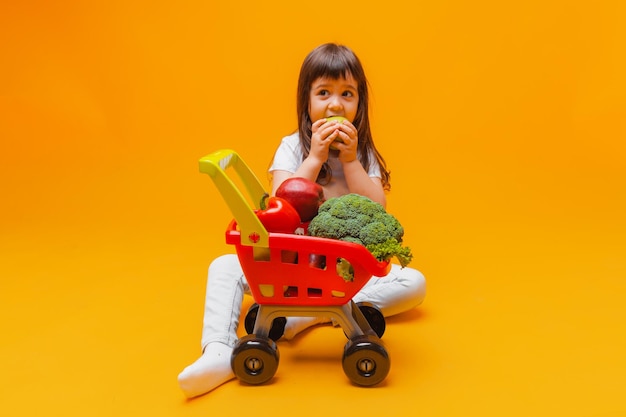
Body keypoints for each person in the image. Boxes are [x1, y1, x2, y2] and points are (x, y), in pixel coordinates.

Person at [178, 43, 426, 398]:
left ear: (360, 105)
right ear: (306, 102)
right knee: (224, 266)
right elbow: (280, 203)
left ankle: (306, 316)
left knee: (414, 282)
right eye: (323, 93)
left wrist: (352, 161)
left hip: (343, 272)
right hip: (288, 264)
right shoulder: (292, 146)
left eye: (347, 94)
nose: (335, 104)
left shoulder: (363, 152)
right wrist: (314, 157)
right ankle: (218, 350)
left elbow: (378, 209)